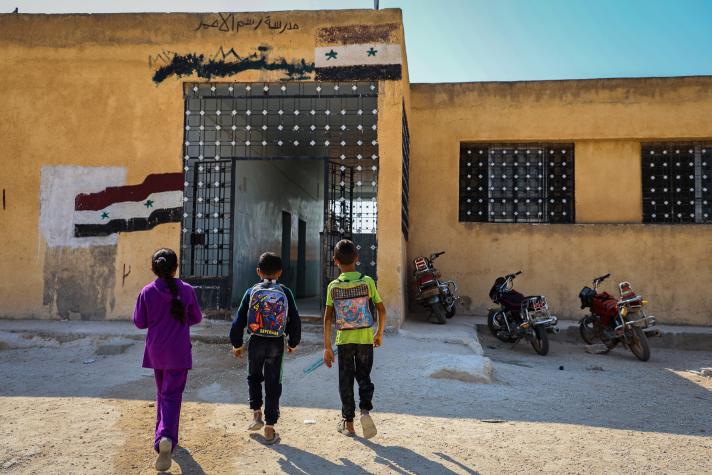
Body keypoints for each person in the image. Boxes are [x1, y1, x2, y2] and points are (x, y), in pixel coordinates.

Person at [133, 248, 203, 472]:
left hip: (156, 351)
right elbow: (196, 317)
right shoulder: (187, 290)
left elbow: (139, 322)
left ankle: (161, 438)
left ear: (155, 268)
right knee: (172, 396)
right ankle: (166, 437)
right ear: (175, 267)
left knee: (162, 394)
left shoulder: (146, 291)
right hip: (178, 351)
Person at [230, 252, 301, 444]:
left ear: (258, 272)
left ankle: (256, 414)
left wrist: (237, 344)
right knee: (273, 382)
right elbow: (294, 319)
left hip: (256, 341)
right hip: (276, 342)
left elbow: (238, 320)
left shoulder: (251, 291)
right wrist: (293, 343)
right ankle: (270, 428)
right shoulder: (285, 292)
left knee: (253, 376)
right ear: (280, 272)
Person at [322, 239, 386, 439]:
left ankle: (348, 424)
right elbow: (382, 311)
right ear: (357, 259)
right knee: (364, 377)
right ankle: (365, 411)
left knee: (346, 380)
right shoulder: (367, 282)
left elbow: (327, 319)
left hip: (344, 341)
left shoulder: (333, 286)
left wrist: (327, 348)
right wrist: (379, 333)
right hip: (365, 338)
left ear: (335, 261)